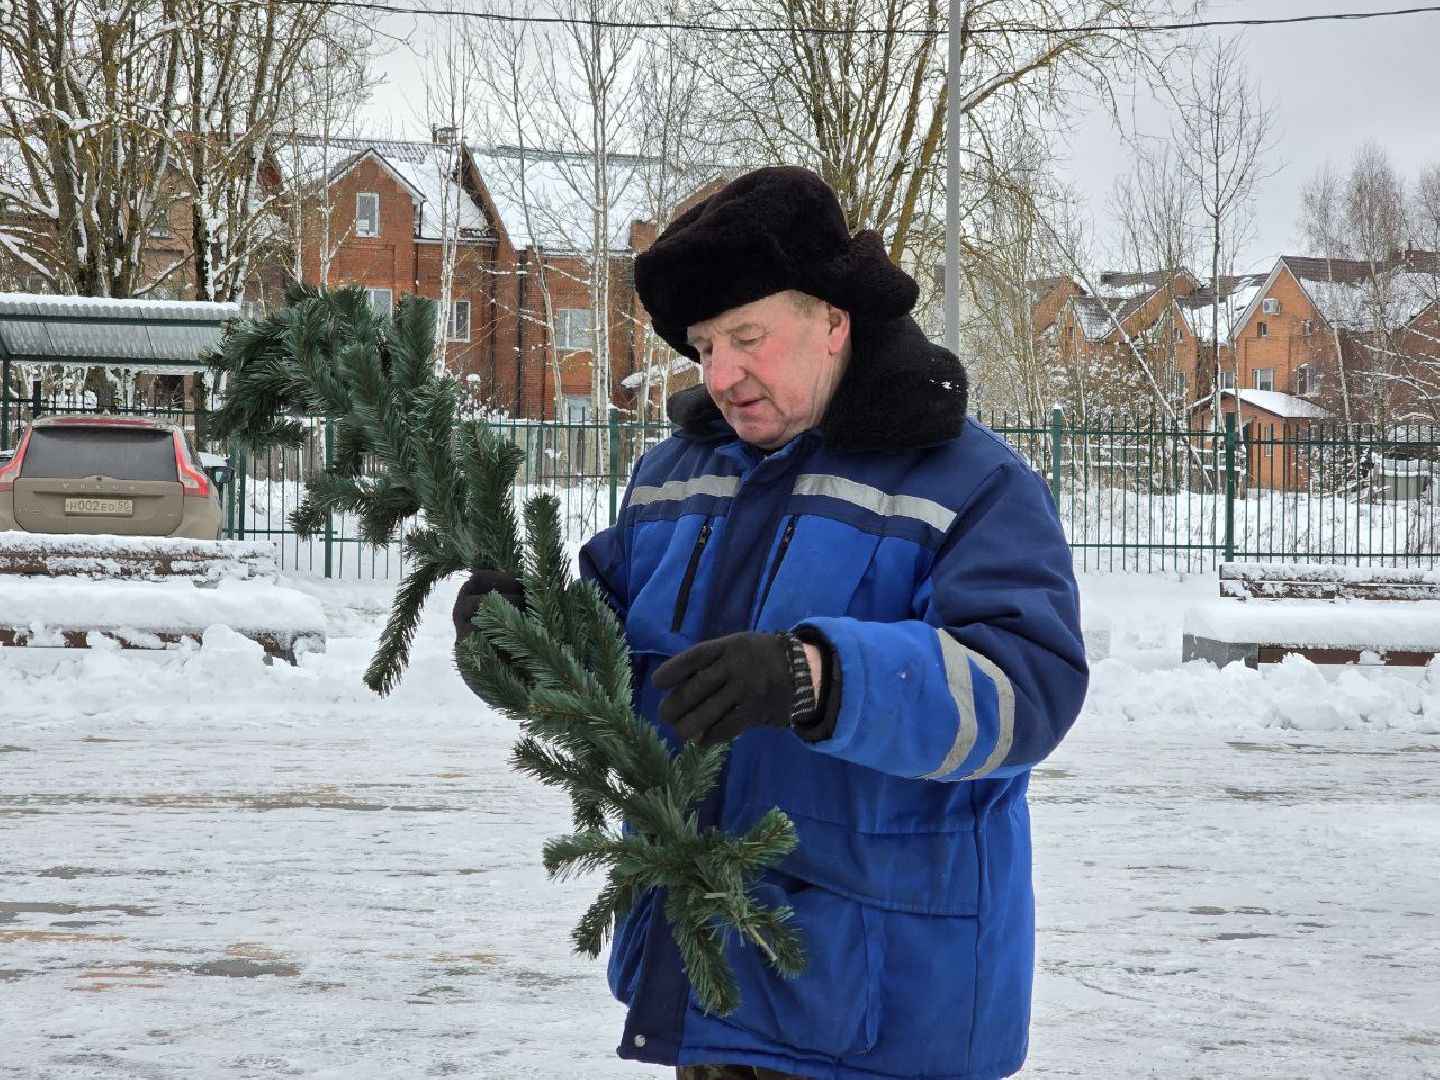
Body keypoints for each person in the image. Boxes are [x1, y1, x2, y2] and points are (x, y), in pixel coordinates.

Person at [454, 165, 1088, 1080]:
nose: (720, 375)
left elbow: (1025, 691)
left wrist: (820, 678)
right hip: (710, 986)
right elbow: (605, 663)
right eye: (704, 346)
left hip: (887, 1006)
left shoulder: (970, 485)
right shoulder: (675, 476)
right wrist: (517, 641)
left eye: (746, 337)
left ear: (834, 320)